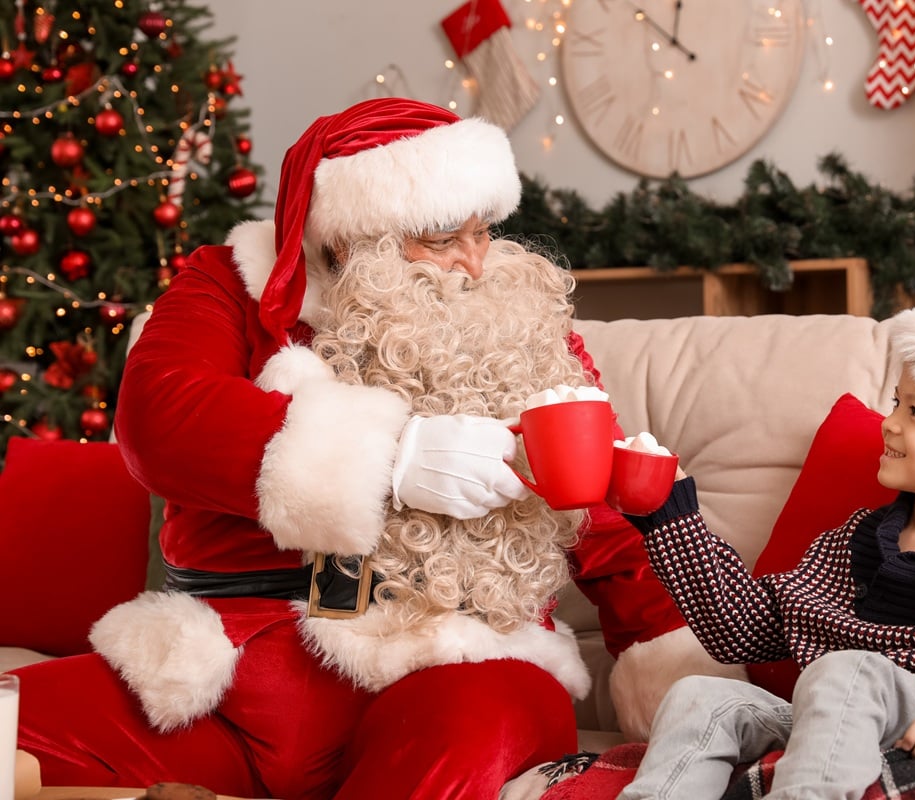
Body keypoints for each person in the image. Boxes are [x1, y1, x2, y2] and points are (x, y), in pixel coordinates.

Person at [13, 98, 738, 799]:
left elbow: (597, 506)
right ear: (345, 240)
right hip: (220, 674)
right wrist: (393, 456)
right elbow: (160, 421)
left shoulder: (518, 326)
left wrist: (669, 649)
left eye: (483, 231)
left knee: (471, 729)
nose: (475, 263)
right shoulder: (229, 286)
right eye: (443, 237)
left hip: (453, 665)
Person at [614, 297, 915, 800]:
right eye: (897, 403)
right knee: (700, 695)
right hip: (832, 721)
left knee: (845, 669)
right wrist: (670, 512)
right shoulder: (857, 539)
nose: (890, 423)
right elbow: (747, 629)